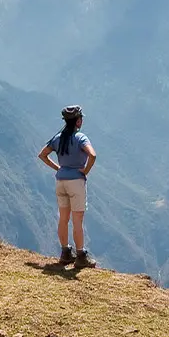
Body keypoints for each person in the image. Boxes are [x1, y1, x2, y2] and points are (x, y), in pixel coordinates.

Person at [37, 105, 97, 267]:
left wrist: (58, 168)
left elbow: (42, 155)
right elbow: (92, 155)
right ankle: (81, 256)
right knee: (77, 220)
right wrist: (84, 171)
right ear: (78, 121)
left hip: (60, 182)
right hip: (76, 183)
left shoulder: (57, 138)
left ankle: (65, 253)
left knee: (63, 218)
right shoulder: (80, 138)